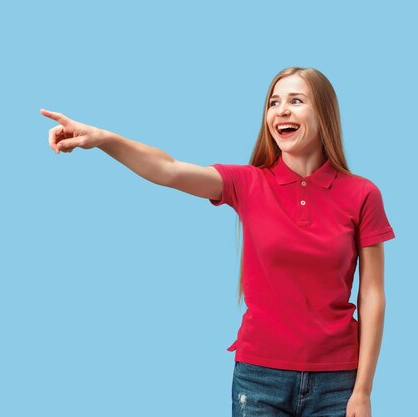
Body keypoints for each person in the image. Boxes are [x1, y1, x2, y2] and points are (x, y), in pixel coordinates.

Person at [41, 66, 395, 417]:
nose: (281, 110)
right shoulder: (248, 183)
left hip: (337, 382)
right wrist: (103, 138)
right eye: (273, 102)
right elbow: (169, 169)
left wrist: (362, 390)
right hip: (260, 379)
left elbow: (372, 295)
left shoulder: (362, 194)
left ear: (324, 113)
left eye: (296, 100)